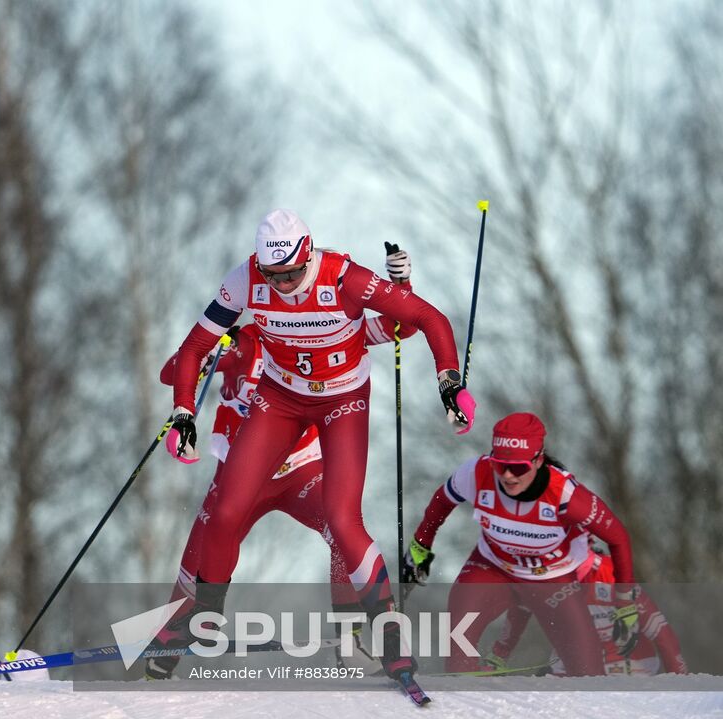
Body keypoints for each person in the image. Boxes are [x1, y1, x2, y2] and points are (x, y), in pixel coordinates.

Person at [164, 209, 472, 682]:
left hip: (342, 402)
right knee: (226, 512)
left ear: (307, 255)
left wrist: (450, 384)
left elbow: (426, 319)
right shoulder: (247, 279)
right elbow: (191, 349)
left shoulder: (345, 278)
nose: (283, 284)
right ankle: (202, 617)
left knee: (343, 522)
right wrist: (184, 412)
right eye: (273, 275)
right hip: (281, 398)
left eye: (290, 273)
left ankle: (389, 638)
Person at [402, 412, 638, 676]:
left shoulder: (566, 495)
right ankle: (462, 696)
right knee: (459, 628)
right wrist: (420, 547)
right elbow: (441, 503)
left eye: (518, 468)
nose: (508, 476)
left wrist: (624, 603)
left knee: (589, 673)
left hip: (552, 577)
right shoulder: (477, 472)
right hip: (493, 566)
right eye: (500, 465)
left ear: (538, 460)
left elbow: (618, 538)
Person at [484, 547, 686, 676]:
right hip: (573, 668)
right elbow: (518, 613)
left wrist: (680, 679)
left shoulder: (611, 572)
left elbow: (659, 630)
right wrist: (497, 657)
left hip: (629, 668)